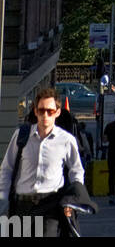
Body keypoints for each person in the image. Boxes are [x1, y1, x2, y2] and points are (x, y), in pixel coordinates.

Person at [0, 87, 95, 236]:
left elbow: (76, 170)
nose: (45, 115)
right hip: (22, 206)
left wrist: (74, 198)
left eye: (50, 111)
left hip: (49, 206)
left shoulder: (66, 140)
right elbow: (7, 168)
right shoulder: (21, 136)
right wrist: (3, 198)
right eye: (41, 110)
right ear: (35, 111)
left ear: (57, 112)